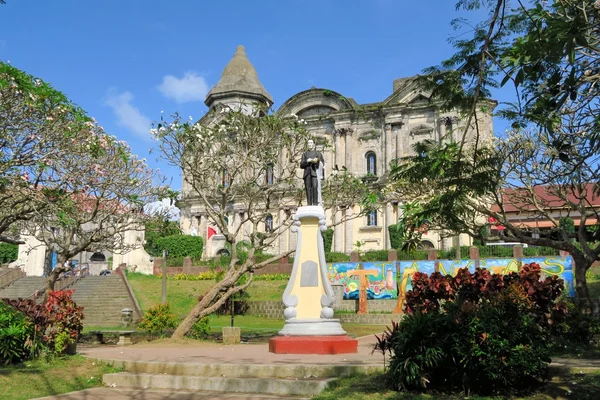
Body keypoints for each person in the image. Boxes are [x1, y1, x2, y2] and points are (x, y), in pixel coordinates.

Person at [300, 139, 324, 206]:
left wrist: (317, 161)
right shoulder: (304, 154)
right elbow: (301, 165)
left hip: (314, 172)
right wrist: (307, 161)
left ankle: (315, 203)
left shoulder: (318, 153)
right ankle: (309, 204)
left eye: (311, 143)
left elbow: (322, 163)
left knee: (315, 187)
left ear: (314, 144)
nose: (310, 144)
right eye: (308, 143)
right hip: (307, 173)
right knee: (308, 189)